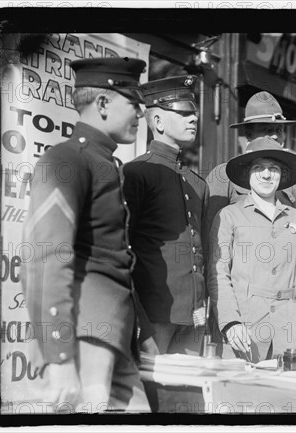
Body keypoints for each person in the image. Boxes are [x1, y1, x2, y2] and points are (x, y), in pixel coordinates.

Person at [21, 57, 150, 412]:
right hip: (85, 335)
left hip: (112, 335)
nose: (141, 113)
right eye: (133, 103)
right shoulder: (67, 160)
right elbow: (46, 256)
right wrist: (59, 356)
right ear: (104, 103)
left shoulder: (105, 162)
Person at [208, 137, 296, 362]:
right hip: (245, 333)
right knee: (243, 396)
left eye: (273, 169)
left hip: (292, 333)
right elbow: (218, 276)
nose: (266, 174)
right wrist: (231, 321)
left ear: (282, 174)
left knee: (290, 396)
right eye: (258, 168)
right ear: (247, 174)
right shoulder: (229, 216)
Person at [123, 75, 208, 357]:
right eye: (183, 113)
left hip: (193, 316)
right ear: (157, 121)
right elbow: (122, 247)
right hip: (153, 314)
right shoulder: (137, 173)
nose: (193, 119)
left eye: (193, 113)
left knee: (188, 396)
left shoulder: (197, 183)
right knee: (149, 397)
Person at [204, 91, 296, 236]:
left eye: (279, 130)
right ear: (249, 134)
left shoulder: (290, 179)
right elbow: (210, 231)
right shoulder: (223, 175)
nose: (275, 135)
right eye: (267, 130)